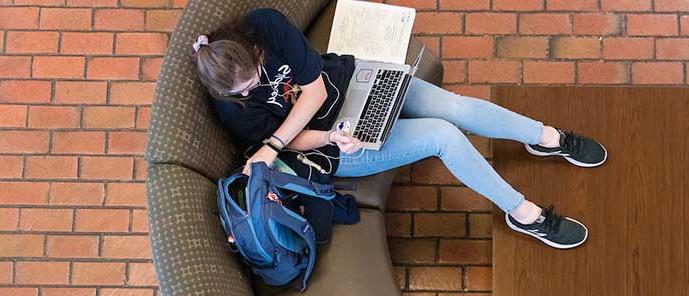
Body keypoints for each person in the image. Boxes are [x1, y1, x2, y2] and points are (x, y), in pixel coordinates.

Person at [191, 8, 607, 250]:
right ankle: (523, 213)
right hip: (334, 145)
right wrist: (330, 137)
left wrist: (275, 141)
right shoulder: (232, 107)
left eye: (256, 74)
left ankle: (547, 138)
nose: (257, 86)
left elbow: (315, 90)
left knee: (453, 106)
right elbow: (297, 143)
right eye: (246, 90)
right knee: (443, 135)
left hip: (351, 82)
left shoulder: (265, 24)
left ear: (250, 49)